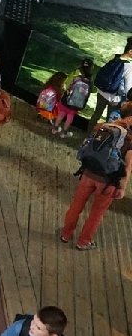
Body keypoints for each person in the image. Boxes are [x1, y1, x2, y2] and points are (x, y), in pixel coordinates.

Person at [60, 106, 132, 250]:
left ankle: (66, 234)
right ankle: (84, 241)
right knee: (97, 213)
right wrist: (122, 187)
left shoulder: (104, 126)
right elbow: (128, 166)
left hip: (88, 172)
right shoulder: (129, 139)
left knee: (76, 205)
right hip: (108, 182)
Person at [88, 38, 132, 132]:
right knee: (110, 121)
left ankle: (87, 136)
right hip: (114, 99)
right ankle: (100, 140)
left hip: (101, 92)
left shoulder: (113, 56)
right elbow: (128, 87)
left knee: (96, 114)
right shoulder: (128, 66)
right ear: (130, 51)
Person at [52, 58, 93, 138]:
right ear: (91, 68)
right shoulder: (90, 79)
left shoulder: (75, 73)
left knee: (62, 113)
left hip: (67, 99)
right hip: (77, 103)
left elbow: (67, 84)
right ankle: (64, 133)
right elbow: (91, 90)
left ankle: (54, 129)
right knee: (70, 117)